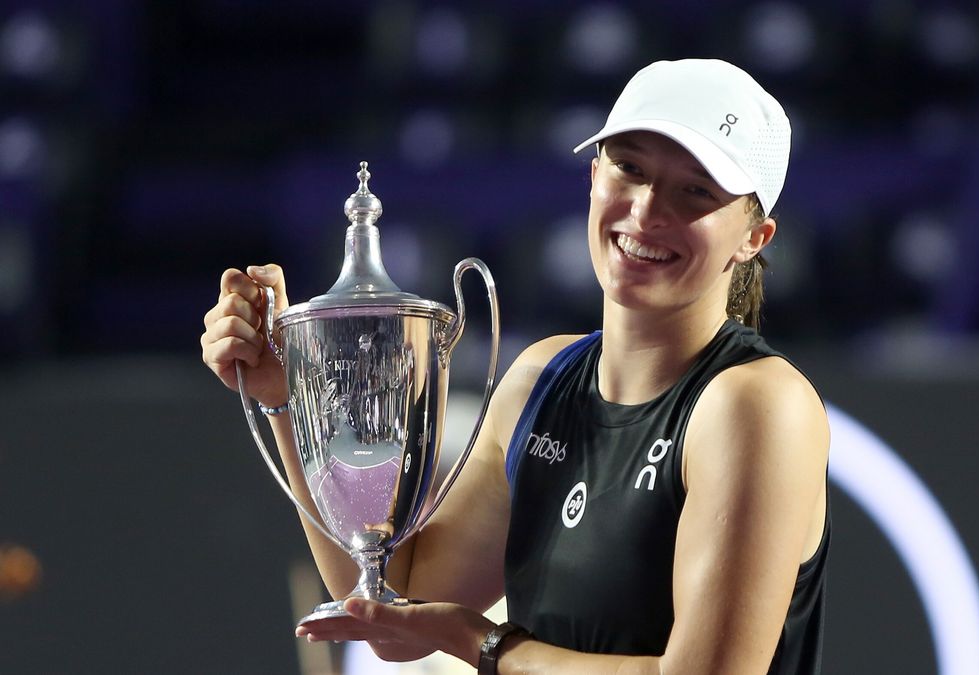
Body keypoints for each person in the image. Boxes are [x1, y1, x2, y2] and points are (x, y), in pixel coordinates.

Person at [201, 58, 830, 674]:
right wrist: (289, 394)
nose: (645, 209)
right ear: (592, 178)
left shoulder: (756, 405)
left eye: (695, 190)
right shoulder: (540, 379)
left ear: (754, 238)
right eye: (629, 169)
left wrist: (485, 646)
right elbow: (399, 606)